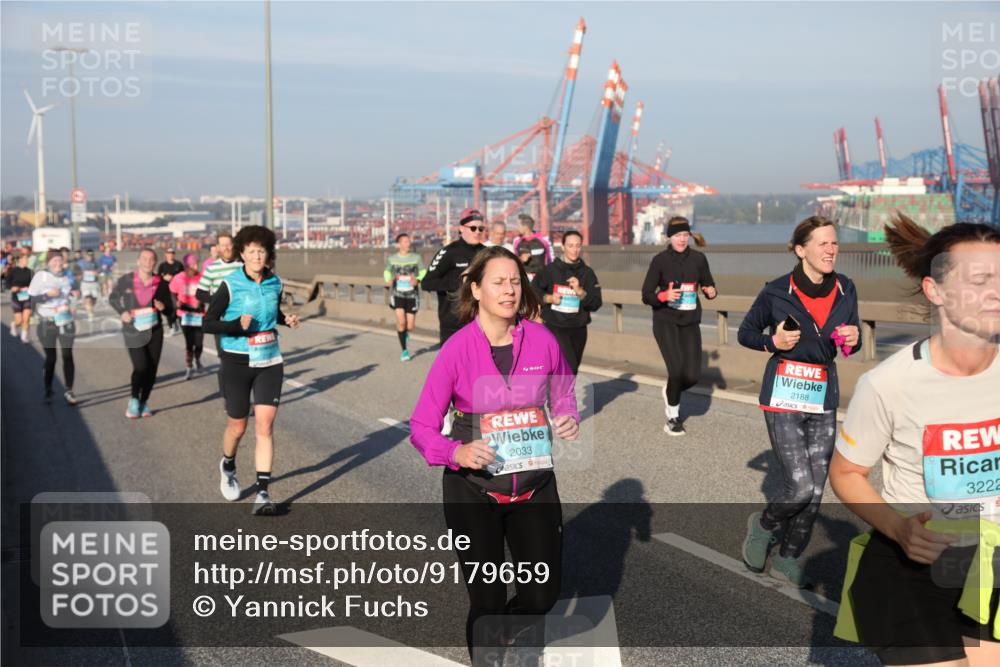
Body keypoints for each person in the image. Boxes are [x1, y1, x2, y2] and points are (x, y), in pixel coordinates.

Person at [829, 216, 1000, 665]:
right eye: (980, 280)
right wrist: (898, 528)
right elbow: (847, 473)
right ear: (934, 291)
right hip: (914, 564)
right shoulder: (889, 383)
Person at [410, 245, 579, 664]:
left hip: (534, 488)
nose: (509, 290)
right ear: (476, 289)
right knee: (486, 602)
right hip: (473, 492)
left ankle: (505, 634)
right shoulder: (456, 349)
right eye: (499, 282)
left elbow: (565, 393)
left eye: (515, 282)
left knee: (541, 597)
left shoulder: (543, 341)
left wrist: (567, 416)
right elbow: (421, 427)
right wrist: (456, 452)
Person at [736, 215, 860, 587]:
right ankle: (764, 525)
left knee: (818, 491)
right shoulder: (776, 291)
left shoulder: (846, 289)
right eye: (822, 243)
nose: (830, 250)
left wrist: (851, 339)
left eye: (834, 243)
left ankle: (790, 556)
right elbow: (745, 333)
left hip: (822, 392)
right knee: (800, 486)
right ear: (801, 249)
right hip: (785, 393)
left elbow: (847, 344)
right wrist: (772, 343)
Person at [204, 226, 300, 516]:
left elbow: (271, 313)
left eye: (262, 251)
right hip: (236, 361)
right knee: (238, 426)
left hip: (269, 359)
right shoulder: (231, 284)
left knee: (265, 426)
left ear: (268, 253)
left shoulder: (275, 283)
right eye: (252, 251)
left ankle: (262, 493)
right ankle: (228, 464)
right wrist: (235, 325)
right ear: (242, 253)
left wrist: (286, 320)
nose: (258, 256)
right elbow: (208, 323)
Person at [640, 216, 717, 436]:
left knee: (691, 376)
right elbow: (646, 295)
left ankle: (671, 390)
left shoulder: (699, 259)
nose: (682, 239)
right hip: (666, 321)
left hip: (690, 321)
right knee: (676, 370)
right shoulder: (660, 261)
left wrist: (711, 291)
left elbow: (709, 285)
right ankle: (673, 417)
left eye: (685, 235)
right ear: (669, 237)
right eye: (677, 235)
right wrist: (663, 295)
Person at [109, 247, 173, 419]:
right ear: (138, 261)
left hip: (155, 330)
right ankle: (134, 399)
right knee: (141, 366)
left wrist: (164, 308)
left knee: (152, 369)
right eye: (144, 259)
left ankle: (144, 401)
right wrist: (122, 311)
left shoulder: (161, 284)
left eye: (151, 259)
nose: (147, 262)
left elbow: (170, 311)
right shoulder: (126, 280)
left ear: (155, 263)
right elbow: (113, 298)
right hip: (133, 329)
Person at [530, 230, 602, 374]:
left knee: (572, 369)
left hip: (578, 327)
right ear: (562, 247)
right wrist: (549, 298)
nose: (574, 250)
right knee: (569, 367)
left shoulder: (587, 273)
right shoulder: (549, 270)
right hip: (555, 325)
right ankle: (558, 394)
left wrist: (581, 292)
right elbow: (532, 291)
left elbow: (596, 303)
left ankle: (556, 394)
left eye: (577, 246)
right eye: (570, 246)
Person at [421, 208, 487, 345]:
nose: (477, 232)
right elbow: (427, 283)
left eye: (481, 229)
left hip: (481, 322)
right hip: (452, 323)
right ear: (461, 228)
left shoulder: (486, 253)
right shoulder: (448, 252)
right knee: (453, 366)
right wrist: (459, 282)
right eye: (473, 228)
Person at [27, 250, 80, 405]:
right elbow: (31, 299)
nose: (58, 263)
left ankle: (69, 391)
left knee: (67, 355)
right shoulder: (40, 277)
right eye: (54, 261)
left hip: (65, 320)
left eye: (60, 260)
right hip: (46, 322)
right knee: (51, 358)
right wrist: (46, 295)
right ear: (48, 262)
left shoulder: (68, 275)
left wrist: (75, 293)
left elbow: (74, 290)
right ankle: (48, 388)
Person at [383, 232, 427, 361]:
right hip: (398, 293)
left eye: (409, 242)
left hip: (412, 294)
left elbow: (423, 271)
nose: (408, 244)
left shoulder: (416, 258)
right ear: (399, 244)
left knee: (410, 326)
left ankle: (406, 333)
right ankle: (404, 351)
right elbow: (387, 272)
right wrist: (389, 280)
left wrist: (417, 279)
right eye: (405, 242)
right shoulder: (392, 259)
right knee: (401, 322)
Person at [170, 253, 206, 379]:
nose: (196, 266)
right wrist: (176, 303)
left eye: (197, 264)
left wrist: (200, 301)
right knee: (189, 342)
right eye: (193, 264)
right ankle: (189, 366)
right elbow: (172, 293)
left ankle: (197, 359)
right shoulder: (178, 278)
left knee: (200, 342)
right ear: (187, 266)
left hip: (199, 313)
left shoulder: (202, 277)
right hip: (184, 314)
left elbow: (207, 294)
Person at [512, 214, 553, 282]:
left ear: (525, 227)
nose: (517, 228)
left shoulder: (544, 240)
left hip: (541, 279)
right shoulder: (516, 241)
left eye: (518, 225)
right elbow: (514, 261)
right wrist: (521, 259)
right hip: (524, 280)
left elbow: (551, 260)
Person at [8, 250, 34, 343]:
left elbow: (34, 284)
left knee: (26, 318)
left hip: (27, 296)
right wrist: (12, 287)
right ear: (20, 260)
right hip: (16, 297)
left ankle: (24, 337)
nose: (27, 260)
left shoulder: (30, 271)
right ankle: (14, 325)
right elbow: (8, 283)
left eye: (27, 258)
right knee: (19, 320)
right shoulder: (13, 271)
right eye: (25, 259)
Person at [157, 248, 184, 335]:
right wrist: (164, 277)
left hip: (177, 290)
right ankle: (171, 326)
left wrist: (174, 278)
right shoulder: (162, 265)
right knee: (168, 308)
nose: (170, 254)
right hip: (166, 289)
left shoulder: (178, 265)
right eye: (168, 252)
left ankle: (175, 320)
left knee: (176, 307)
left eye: (172, 252)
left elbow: (183, 276)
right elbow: (158, 277)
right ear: (166, 254)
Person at [75, 250, 100, 321]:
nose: (90, 257)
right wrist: (79, 275)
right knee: (88, 299)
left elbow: (101, 269)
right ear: (86, 256)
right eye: (88, 256)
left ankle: (90, 308)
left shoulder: (96, 262)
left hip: (94, 283)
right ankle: (90, 314)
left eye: (91, 256)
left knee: (93, 300)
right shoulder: (81, 263)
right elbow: (76, 271)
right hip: (85, 283)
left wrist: (97, 272)